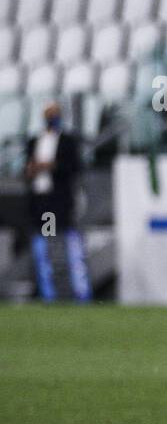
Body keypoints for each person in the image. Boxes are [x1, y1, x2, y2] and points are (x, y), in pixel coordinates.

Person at [24, 101, 91, 302]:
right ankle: (48, 293)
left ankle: (81, 292)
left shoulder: (68, 141)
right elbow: (27, 169)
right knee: (44, 245)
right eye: (48, 114)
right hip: (42, 203)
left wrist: (51, 166)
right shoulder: (35, 140)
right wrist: (32, 169)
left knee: (69, 244)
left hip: (60, 202)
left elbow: (75, 167)